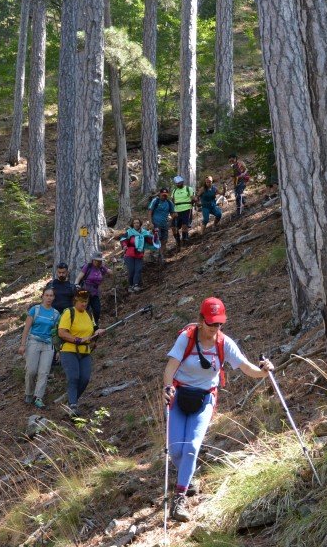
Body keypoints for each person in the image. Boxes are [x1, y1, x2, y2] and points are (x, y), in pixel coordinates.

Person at [161, 297, 274, 523]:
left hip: (205, 398)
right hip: (179, 396)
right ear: (201, 320)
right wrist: (167, 388)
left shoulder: (224, 343)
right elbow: (170, 369)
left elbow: (245, 367)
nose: (215, 327)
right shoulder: (186, 338)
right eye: (212, 323)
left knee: (192, 446)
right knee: (175, 450)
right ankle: (188, 476)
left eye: (219, 323)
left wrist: (264, 372)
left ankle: (179, 498)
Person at [57, 290, 102, 415]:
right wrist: (78, 339)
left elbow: (93, 330)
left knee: (85, 378)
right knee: (73, 377)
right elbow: (62, 332)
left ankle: (71, 402)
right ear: (75, 301)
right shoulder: (69, 313)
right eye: (82, 301)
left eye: (86, 301)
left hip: (85, 351)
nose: (84, 304)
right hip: (69, 350)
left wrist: (97, 333)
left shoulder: (89, 314)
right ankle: (72, 405)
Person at [17, 287, 60, 408]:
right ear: (42, 296)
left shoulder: (56, 314)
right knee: (31, 371)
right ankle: (29, 393)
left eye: (51, 296)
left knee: (44, 372)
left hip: (48, 344)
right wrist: (22, 344)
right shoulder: (34, 310)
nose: (49, 298)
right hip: (34, 342)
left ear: (54, 298)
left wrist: (58, 349)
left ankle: (38, 397)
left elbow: (56, 333)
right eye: (47, 295)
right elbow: (26, 328)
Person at [119, 218, 153, 293]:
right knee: (131, 270)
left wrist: (153, 235)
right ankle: (131, 285)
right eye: (134, 223)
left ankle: (136, 285)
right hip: (129, 254)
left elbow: (150, 241)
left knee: (138, 269)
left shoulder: (144, 233)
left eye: (137, 223)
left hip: (139, 253)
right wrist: (124, 245)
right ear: (132, 224)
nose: (136, 224)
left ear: (140, 224)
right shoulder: (129, 232)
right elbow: (123, 239)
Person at [76, 253, 111, 325]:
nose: (98, 262)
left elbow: (111, 273)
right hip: (85, 292)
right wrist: (76, 285)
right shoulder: (88, 267)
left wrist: (113, 263)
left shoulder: (101, 268)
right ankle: (84, 325)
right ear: (93, 260)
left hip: (95, 292)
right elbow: (79, 277)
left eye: (100, 261)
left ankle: (95, 324)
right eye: (96, 260)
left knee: (97, 310)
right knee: (85, 309)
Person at [149, 188, 175, 263]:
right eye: (163, 195)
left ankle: (161, 255)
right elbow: (150, 212)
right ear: (160, 194)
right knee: (157, 240)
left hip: (165, 224)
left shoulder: (169, 202)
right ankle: (153, 254)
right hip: (156, 224)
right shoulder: (155, 201)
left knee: (164, 240)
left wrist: (172, 217)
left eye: (166, 195)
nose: (164, 196)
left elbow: (172, 213)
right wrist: (150, 223)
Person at [171, 175, 196, 247]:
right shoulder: (174, 190)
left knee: (185, 226)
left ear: (182, 182)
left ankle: (185, 241)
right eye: (177, 183)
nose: (178, 184)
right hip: (177, 211)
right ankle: (178, 241)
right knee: (174, 227)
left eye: (179, 183)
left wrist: (195, 200)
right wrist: (172, 211)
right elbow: (172, 201)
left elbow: (193, 197)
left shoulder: (188, 189)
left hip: (187, 209)